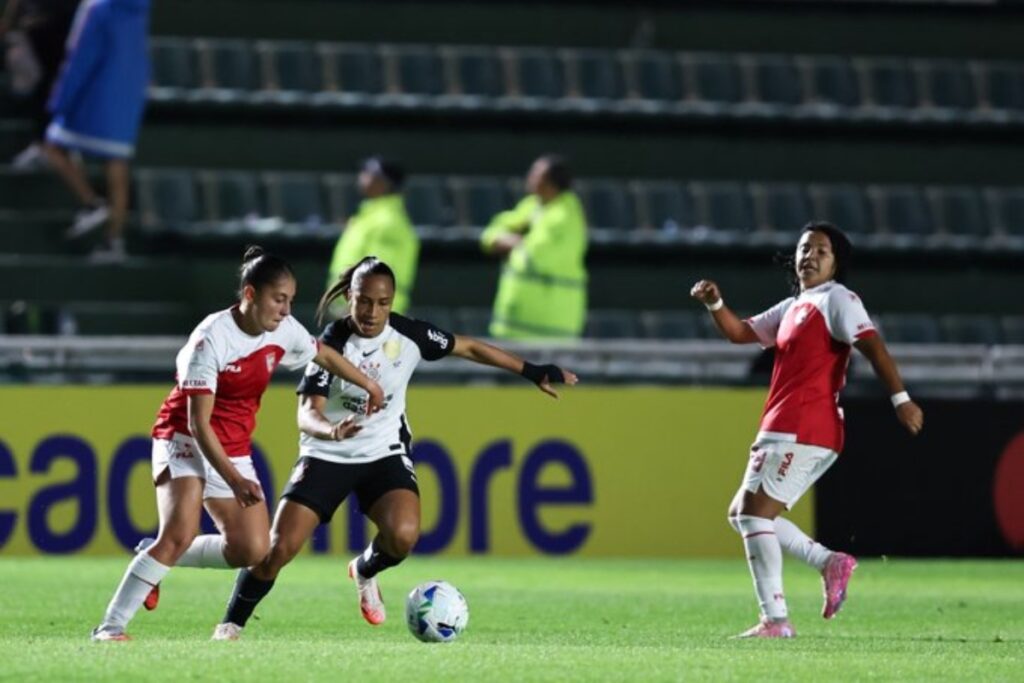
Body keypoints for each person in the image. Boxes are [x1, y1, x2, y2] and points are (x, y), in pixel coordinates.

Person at [211, 256, 578, 640]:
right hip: (327, 454)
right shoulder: (331, 344)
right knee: (276, 550)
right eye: (364, 301)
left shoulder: (409, 335)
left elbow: (468, 348)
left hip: (383, 451)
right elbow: (306, 414)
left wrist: (533, 371)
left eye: (382, 303)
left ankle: (365, 569)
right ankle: (230, 624)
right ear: (350, 298)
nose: (373, 312)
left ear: (392, 301)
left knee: (403, 535)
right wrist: (333, 431)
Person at [90, 246, 385, 641]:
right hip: (184, 438)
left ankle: (153, 553)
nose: (285, 309)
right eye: (278, 299)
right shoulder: (210, 340)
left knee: (252, 550)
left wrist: (367, 383)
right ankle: (110, 628)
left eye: (290, 301)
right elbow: (198, 424)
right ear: (249, 294)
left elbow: (322, 355)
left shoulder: (283, 330)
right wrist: (233, 480)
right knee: (178, 532)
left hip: (232, 446)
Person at [689, 221, 924, 639]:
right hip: (783, 425)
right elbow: (741, 332)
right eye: (803, 248)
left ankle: (776, 621)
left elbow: (874, 347)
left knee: (752, 514)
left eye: (821, 251)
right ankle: (828, 562)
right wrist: (715, 302)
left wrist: (901, 400)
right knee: (742, 515)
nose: (809, 256)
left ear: (836, 264)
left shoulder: (838, 299)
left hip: (805, 425)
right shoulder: (795, 305)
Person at [43, 0, 150, 263]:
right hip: (129, 96)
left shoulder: (97, 8)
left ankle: (92, 204)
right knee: (117, 164)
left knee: (53, 148)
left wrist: (60, 100)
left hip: (96, 95)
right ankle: (114, 241)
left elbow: (80, 55)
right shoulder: (140, 9)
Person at [480, 154, 587, 339]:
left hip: (549, 330)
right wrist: (511, 240)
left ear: (551, 182)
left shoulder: (564, 216)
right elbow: (492, 233)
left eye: (536, 174)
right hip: (517, 327)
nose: (530, 178)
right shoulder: (532, 206)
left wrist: (512, 243)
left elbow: (531, 257)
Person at [326, 157, 419, 315]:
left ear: (385, 183)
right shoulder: (368, 218)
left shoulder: (388, 222)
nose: (362, 177)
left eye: (370, 174)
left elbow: (377, 274)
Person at [0, 0, 80, 169]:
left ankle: (62, 144)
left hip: (65, 24)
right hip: (38, 28)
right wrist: (11, 20)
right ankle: (45, 145)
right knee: (41, 86)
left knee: (60, 83)